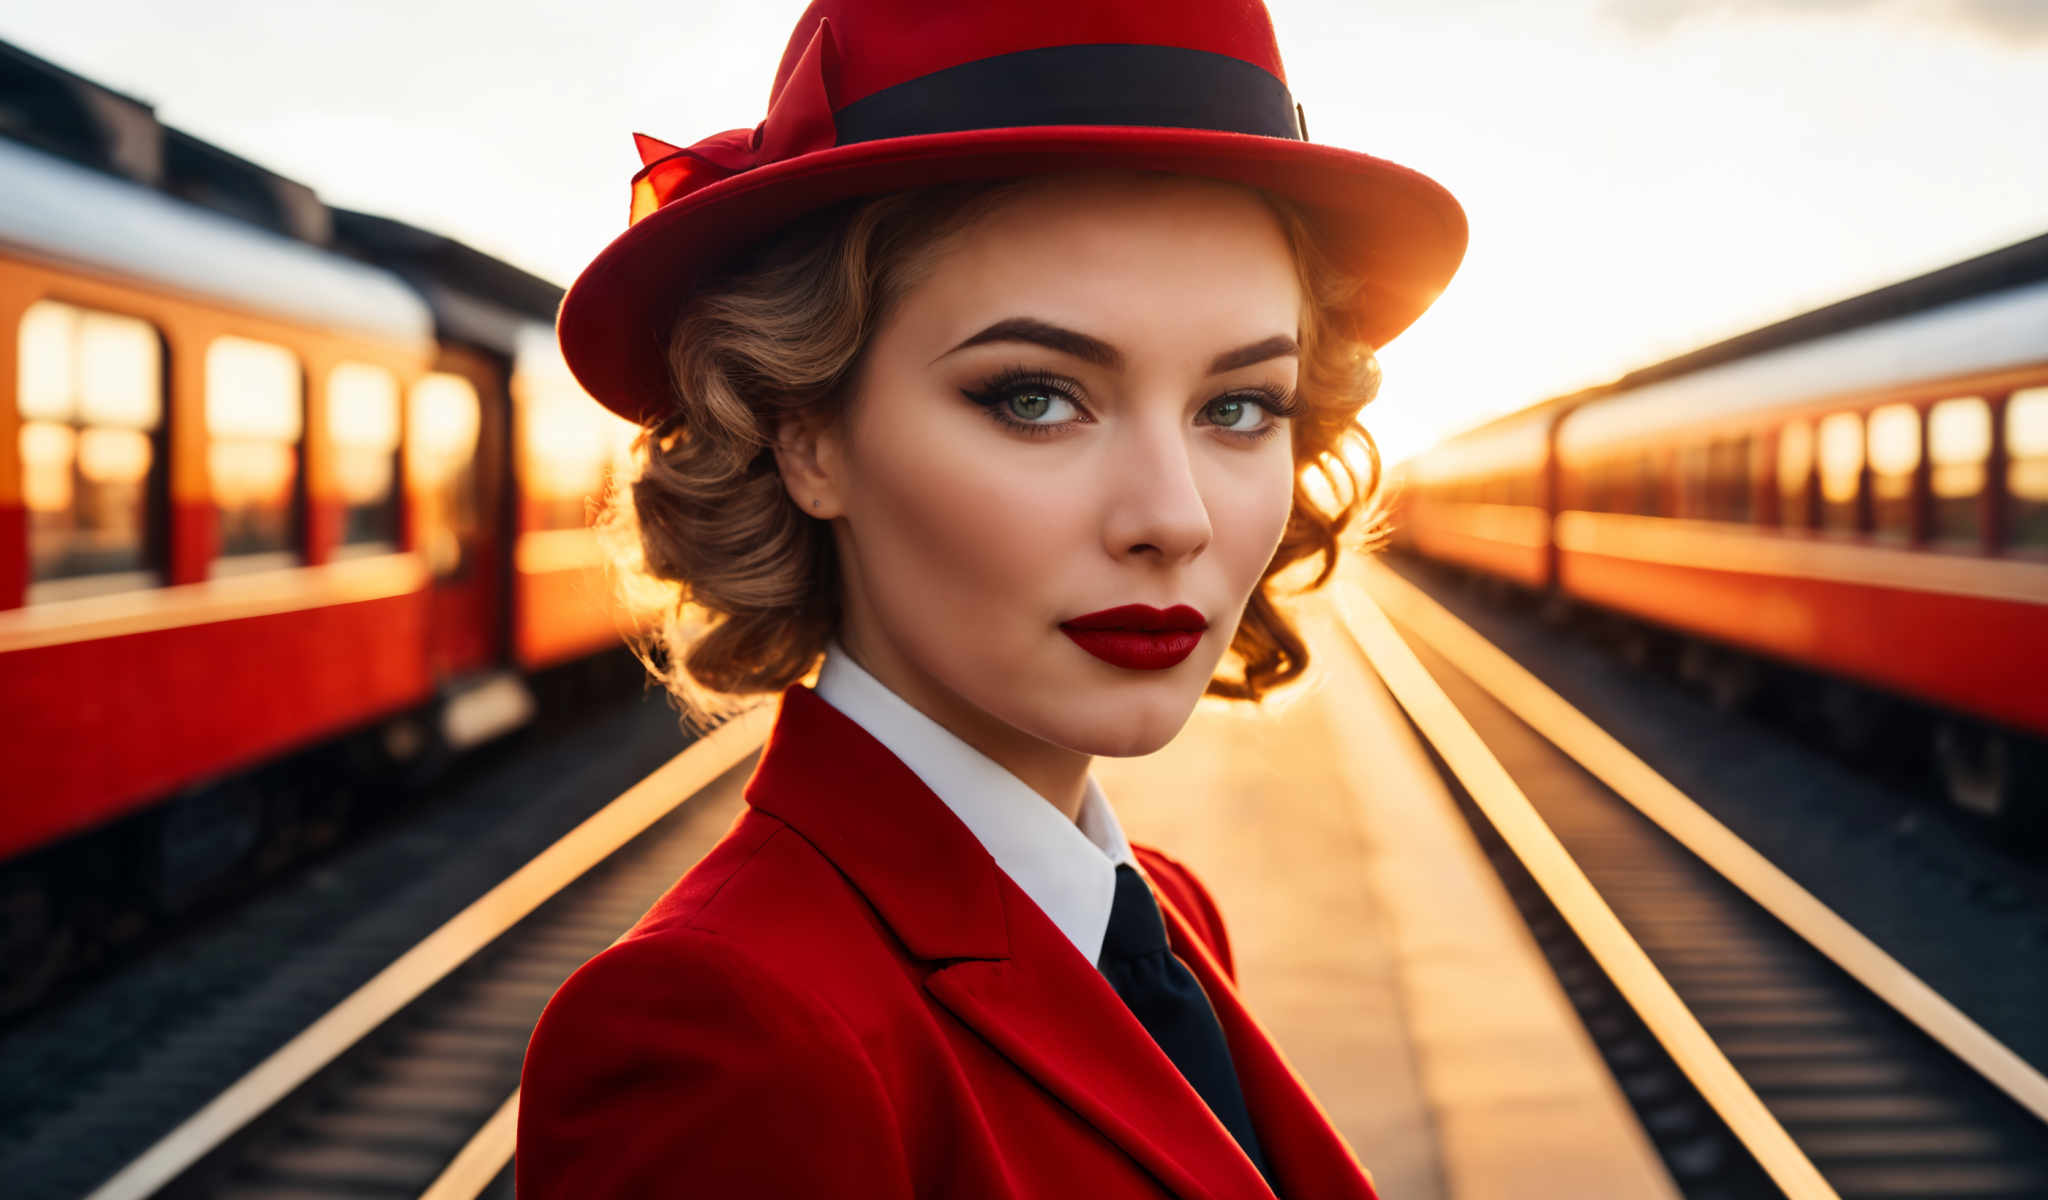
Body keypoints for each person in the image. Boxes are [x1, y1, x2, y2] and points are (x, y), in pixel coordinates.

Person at [516, 1, 1464, 1196]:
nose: (1171, 517)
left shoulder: (1161, 916)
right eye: (1032, 397)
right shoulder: (718, 1033)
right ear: (805, 437)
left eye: (1238, 407)